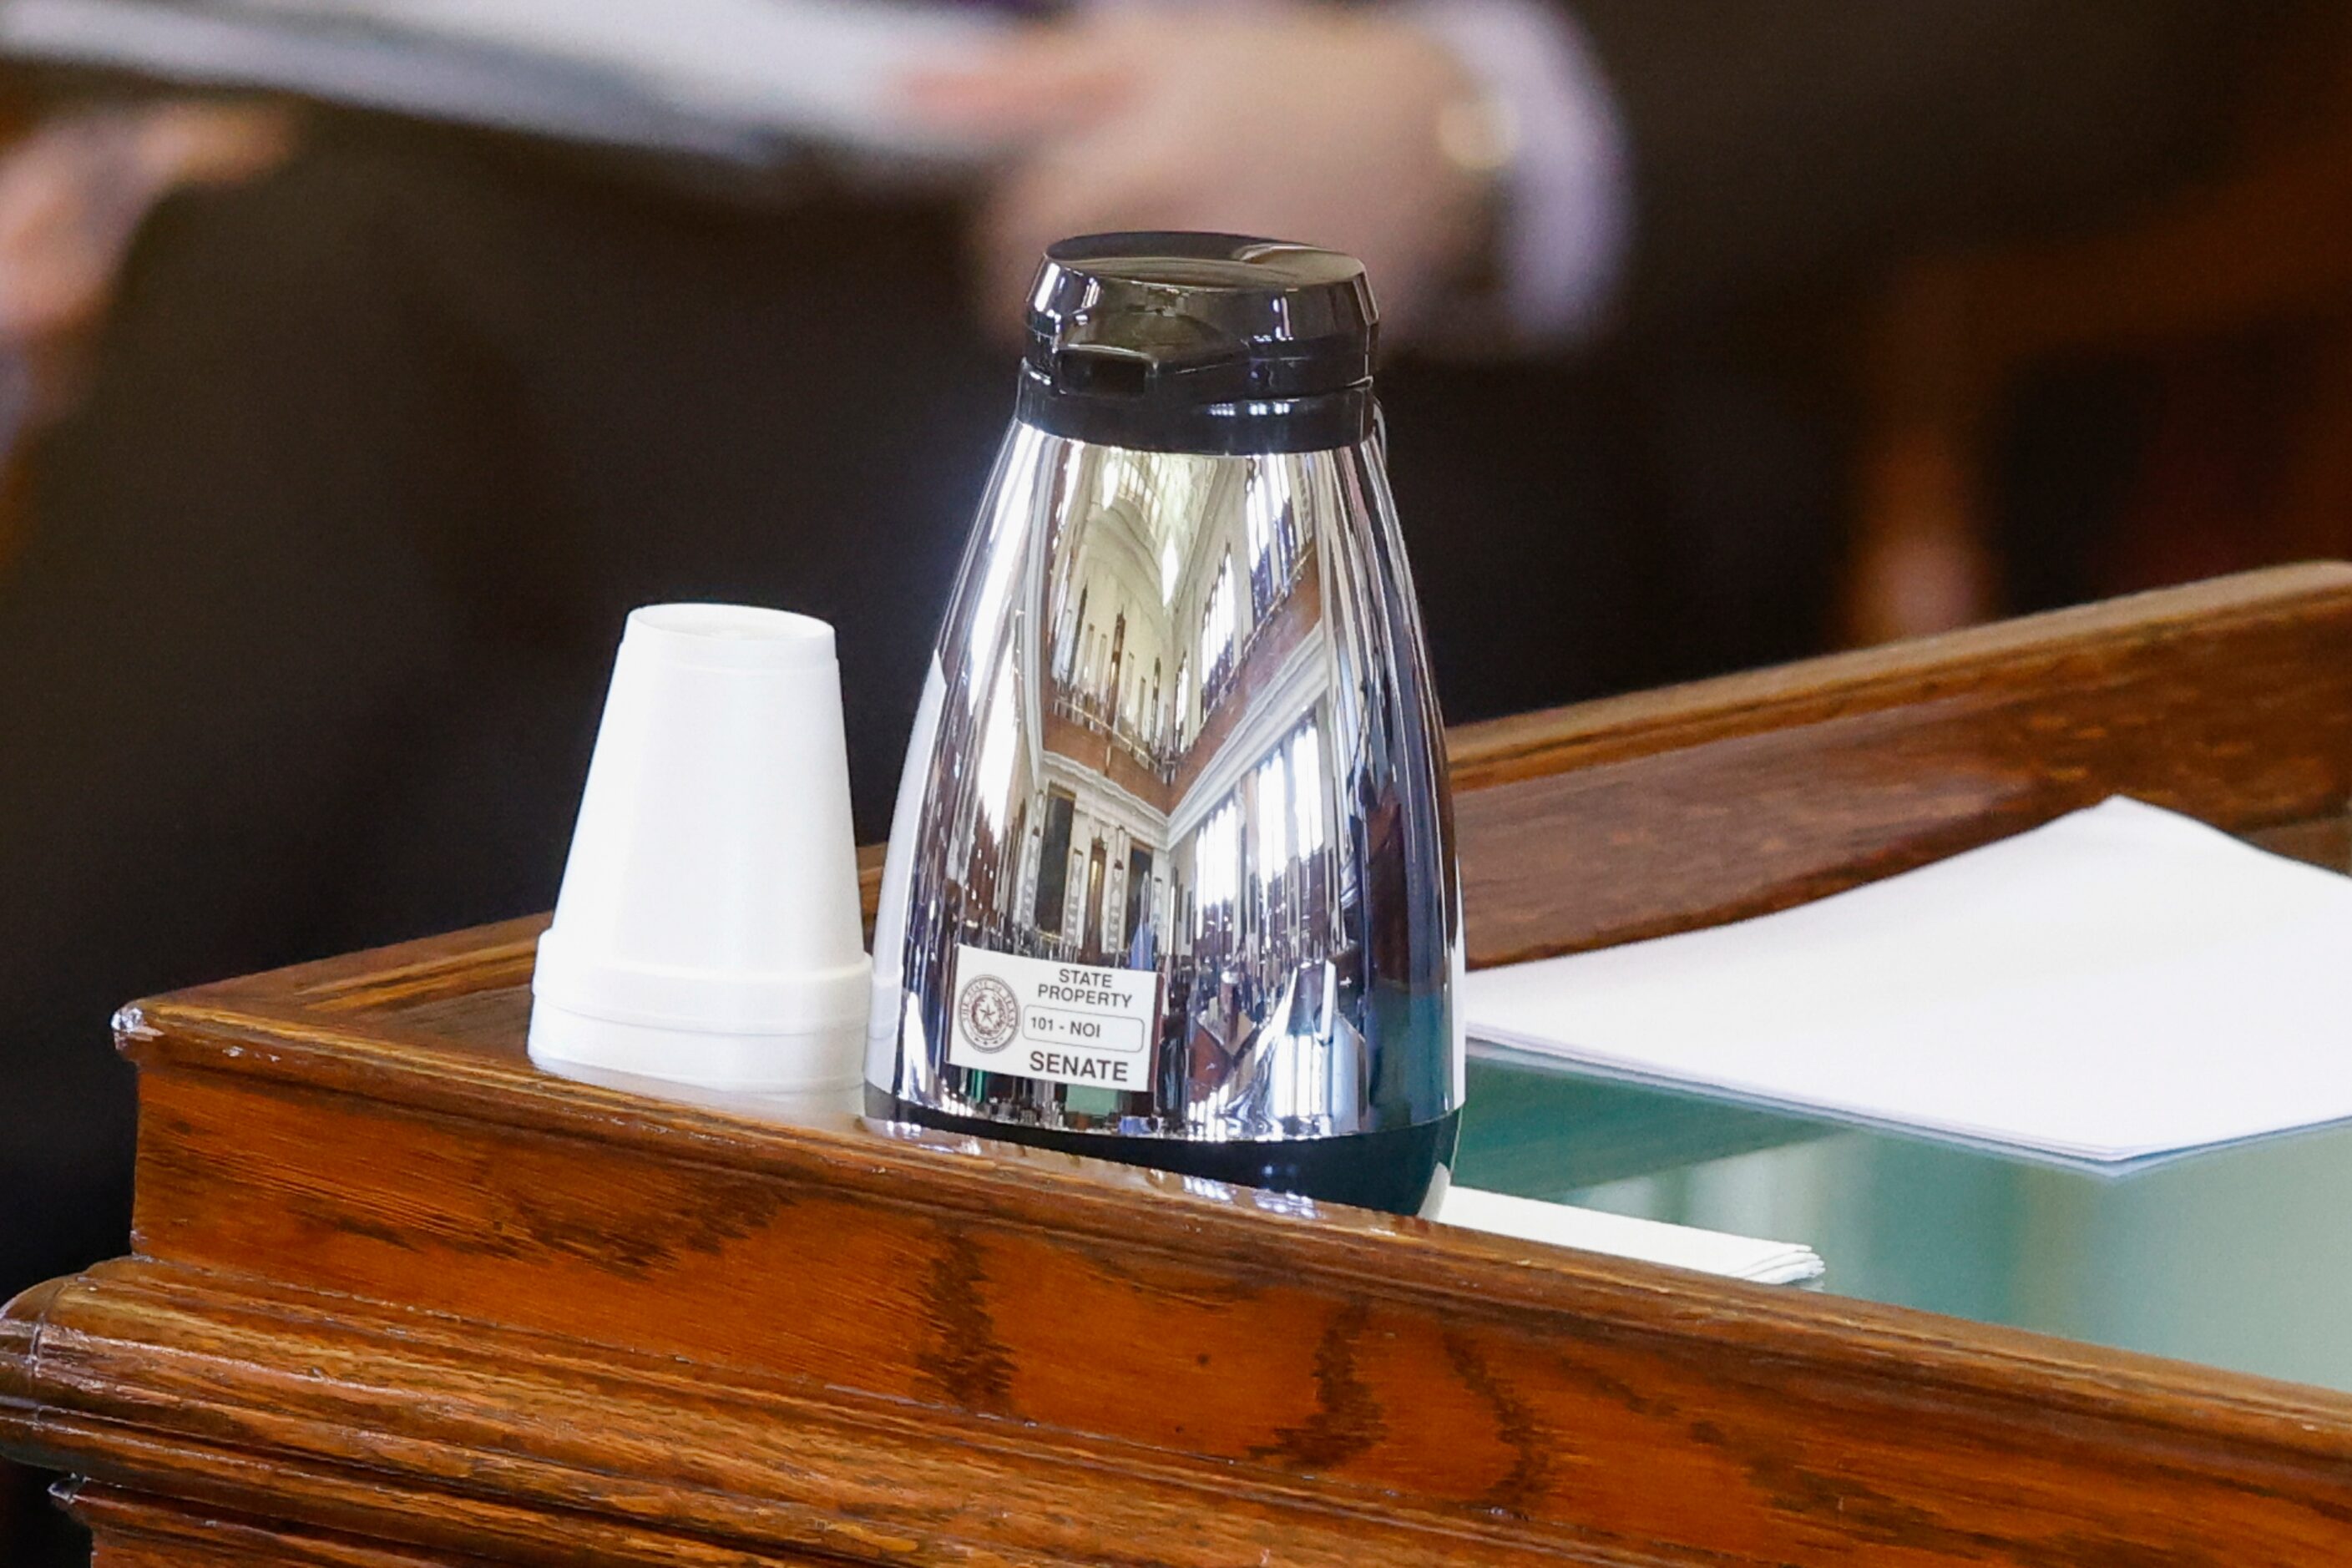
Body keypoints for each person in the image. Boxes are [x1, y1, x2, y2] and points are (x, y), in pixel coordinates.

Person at [0, 0, 2280, 1342]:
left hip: (1422, 381)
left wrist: (1468, 111)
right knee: (323, 294)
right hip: (721, 199)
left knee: (370, 464)